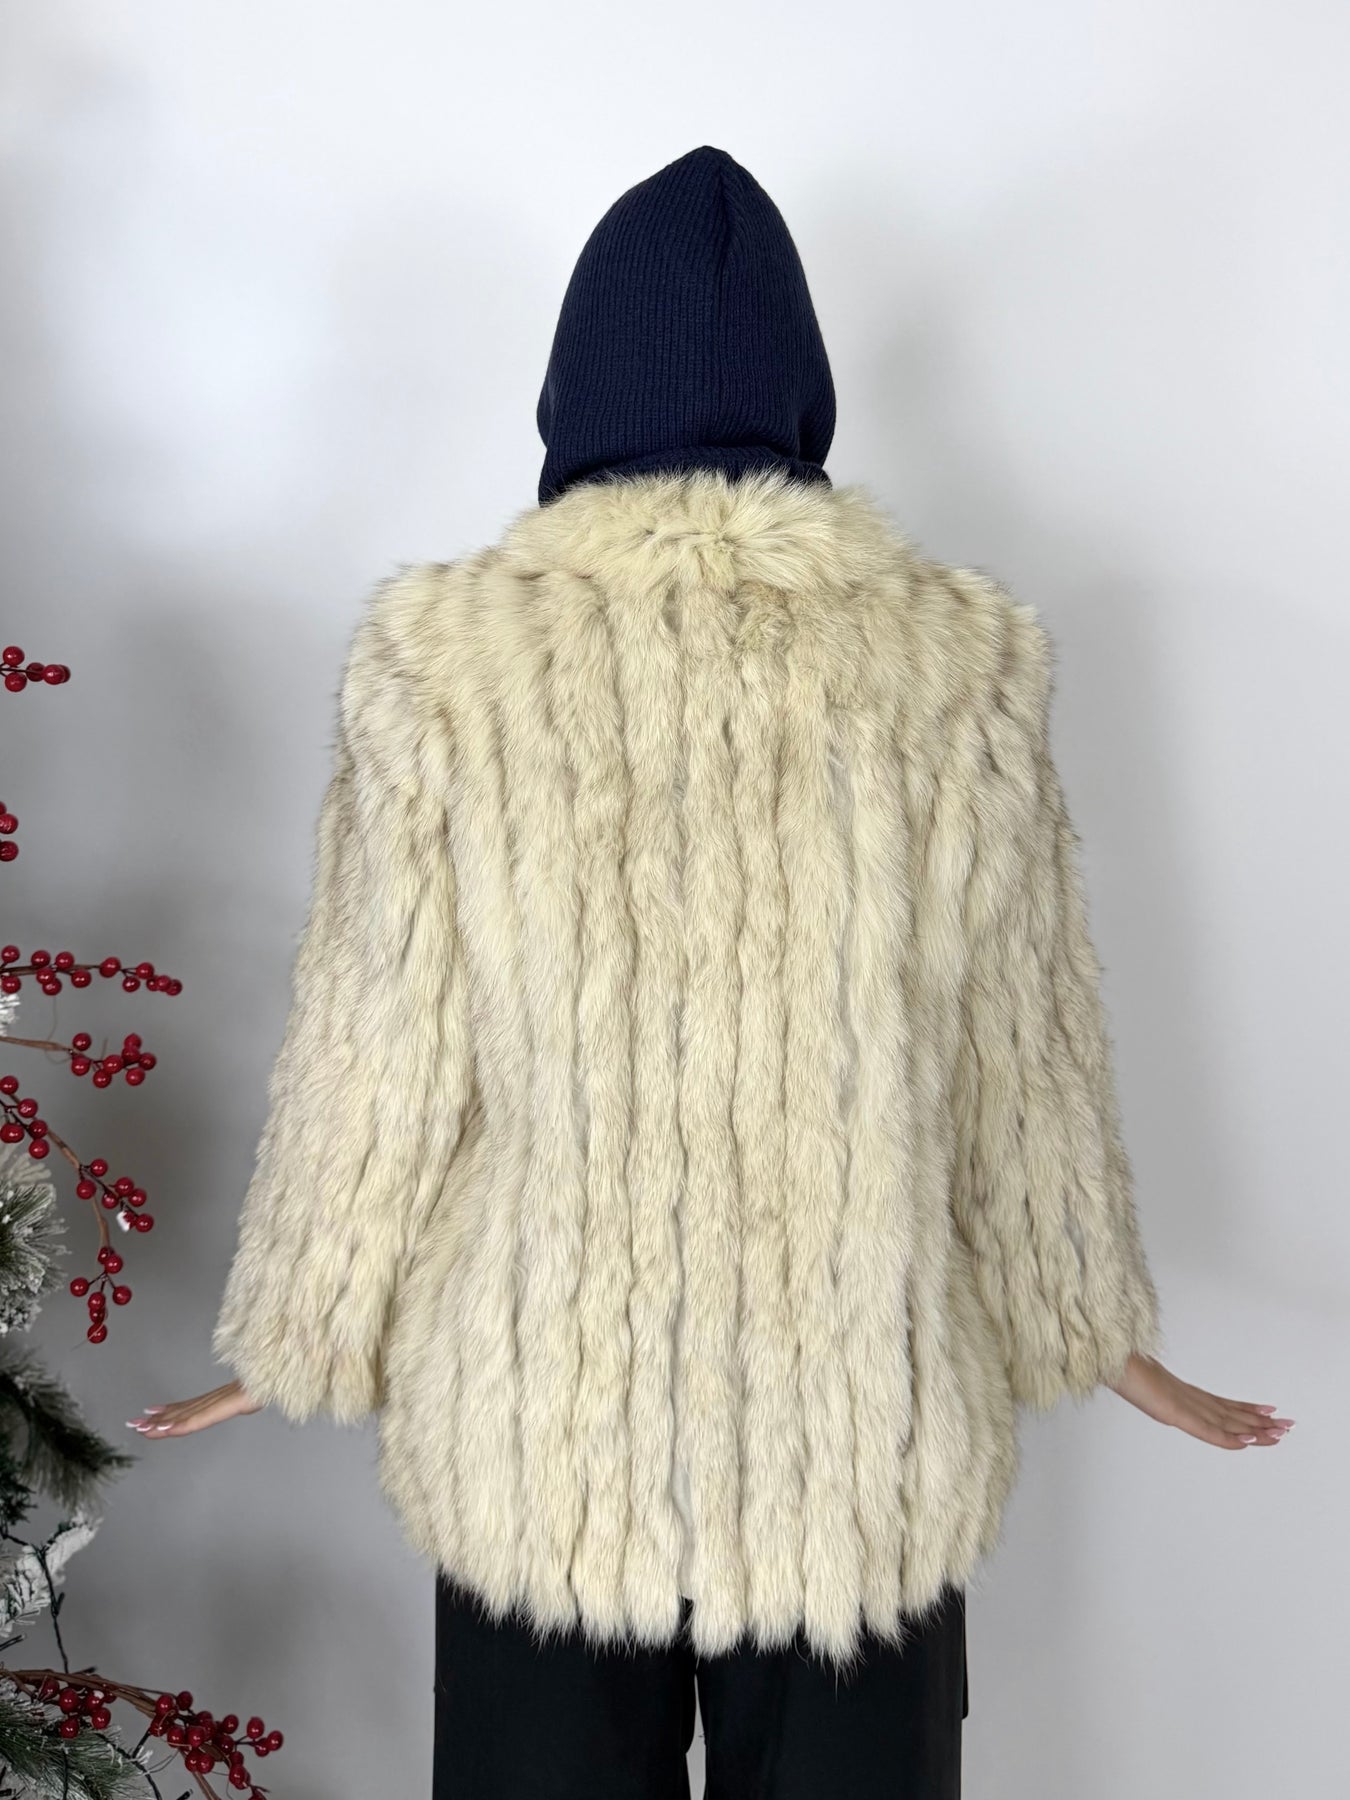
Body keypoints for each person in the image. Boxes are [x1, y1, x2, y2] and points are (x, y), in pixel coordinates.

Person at [135, 145, 1292, 1800]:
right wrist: (1087, 1321)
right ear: (801, 396)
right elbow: (1017, 1040)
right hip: (857, 1434)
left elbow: (381, 1037)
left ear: (570, 395)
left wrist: (302, 1326)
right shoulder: (948, 660)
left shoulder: (449, 662)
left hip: (543, 1427)